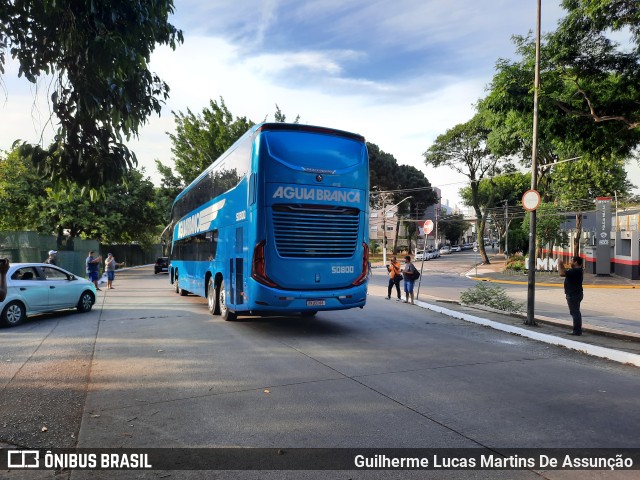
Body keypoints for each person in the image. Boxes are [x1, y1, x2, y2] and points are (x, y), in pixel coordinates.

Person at [559, 255, 584, 336]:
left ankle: (577, 331)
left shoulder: (576, 271)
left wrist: (560, 263)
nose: (570, 261)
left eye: (571, 260)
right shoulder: (576, 270)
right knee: (576, 311)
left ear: (576, 262)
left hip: (573, 294)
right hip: (576, 293)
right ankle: (577, 330)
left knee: (575, 312)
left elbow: (561, 273)